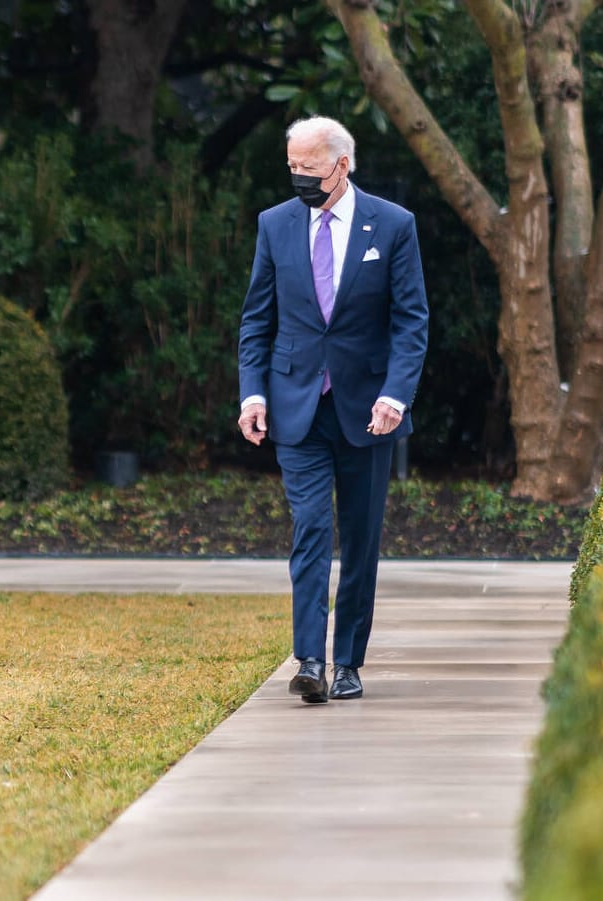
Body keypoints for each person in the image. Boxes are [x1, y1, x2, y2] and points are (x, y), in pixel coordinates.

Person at [237, 116, 428, 704]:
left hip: (369, 410)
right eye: (291, 167)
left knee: (362, 538)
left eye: (309, 168)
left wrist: (396, 395)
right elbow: (257, 319)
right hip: (297, 407)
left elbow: (410, 320)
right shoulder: (275, 225)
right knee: (312, 529)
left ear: (342, 165)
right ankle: (310, 661)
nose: (299, 178)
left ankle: (349, 661)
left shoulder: (393, 225)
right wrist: (253, 393)